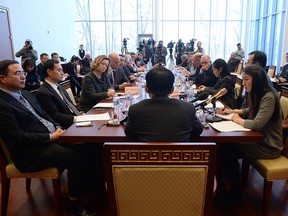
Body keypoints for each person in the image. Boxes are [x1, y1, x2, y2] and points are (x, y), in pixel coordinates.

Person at [0, 60, 98, 216]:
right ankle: (73, 203)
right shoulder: (2, 104)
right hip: (29, 151)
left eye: (23, 73)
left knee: (88, 146)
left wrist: (56, 127)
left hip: (50, 138)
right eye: (18, 73)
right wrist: (50, 136)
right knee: (74, 157)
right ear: (3, 78)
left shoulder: (25, 94)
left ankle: (92, 188)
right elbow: (17, 137)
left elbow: (44, 115)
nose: (23, 77)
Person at [219, 65, 283, 207]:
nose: (243, 83)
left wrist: (237, 119)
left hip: (268, 146)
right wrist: (235, 111)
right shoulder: (258, 94)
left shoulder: (269, 96)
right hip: (259, 141)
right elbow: (251, 110)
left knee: (226, 150)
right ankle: (225, 190)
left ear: (258, 80)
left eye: (246, 79)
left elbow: (257, 124)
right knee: (224, 148)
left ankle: (233, 194)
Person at [124, 66, 203, 141]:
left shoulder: (135, 109)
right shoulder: (188, 108)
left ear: (146, 88)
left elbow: (129, 134)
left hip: (148, 154)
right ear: (172, 90)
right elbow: (198, 131)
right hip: (179, 155)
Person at [36, 59, 80, 129]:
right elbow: (55, 115)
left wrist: (79, 112)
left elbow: (70, 105)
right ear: (49, 72)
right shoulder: (43, 92)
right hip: (65, 126)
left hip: (74, 119)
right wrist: (76, 118)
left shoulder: (60, 87)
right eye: (59, 70)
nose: (63, 73)